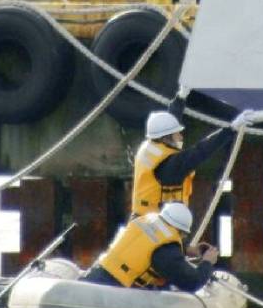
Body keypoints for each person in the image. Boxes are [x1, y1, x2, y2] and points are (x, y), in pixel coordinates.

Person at [129, 107, 239, 216]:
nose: (181, 137)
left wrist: (180, 98)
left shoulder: (151, 147)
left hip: (145, 221)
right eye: (177, 134)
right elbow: (200, 151)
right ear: (166, 138)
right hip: (156, 226)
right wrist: (231, 129)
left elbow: (168, 123)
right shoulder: (169, 166)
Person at [83, 202, 218, 291]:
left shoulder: (144, 221)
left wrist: (186, 250)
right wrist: (207, 263)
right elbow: (191, 283)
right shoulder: (167, 250)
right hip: (114, 289)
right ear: (181, 231)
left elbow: (148, 246)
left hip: (96, 274)